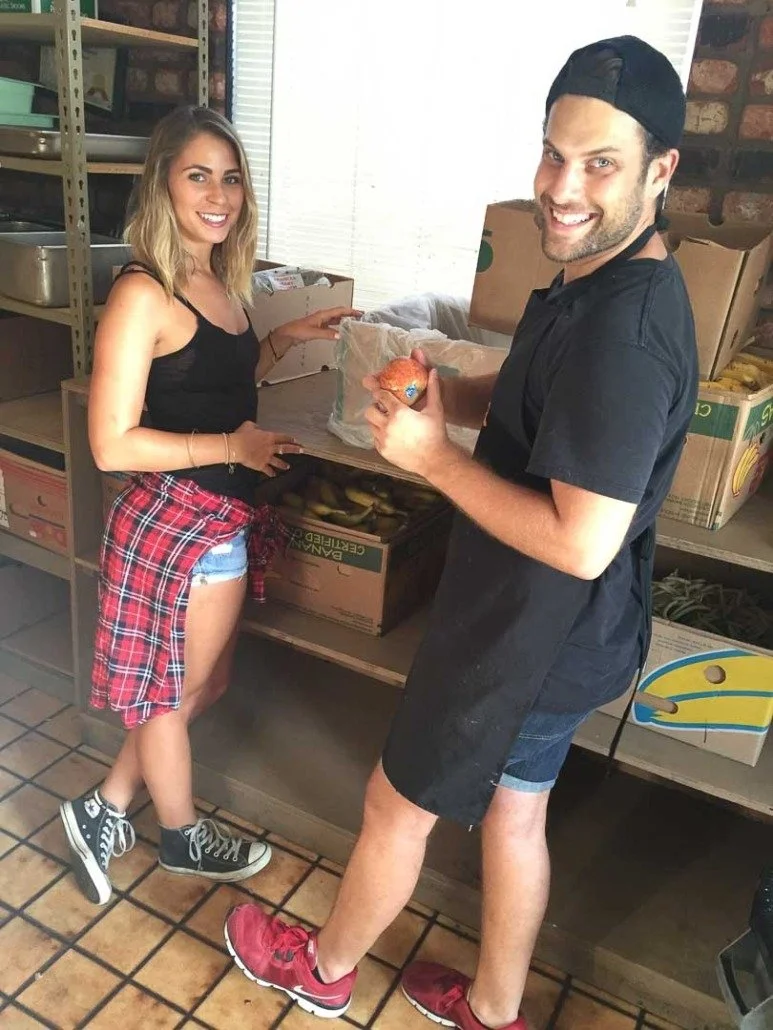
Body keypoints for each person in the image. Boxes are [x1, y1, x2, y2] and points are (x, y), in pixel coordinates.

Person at [224, 36, 699, 1028]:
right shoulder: (600, 275)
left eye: (599, 164)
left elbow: (580, 541)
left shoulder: (623, 337)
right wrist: (455, 397)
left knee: (396, 799)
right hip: (563, 630)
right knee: (515, 816)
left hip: (530, 634)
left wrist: (433, 458)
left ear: (660, 171)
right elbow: (539, 401)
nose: (560, 188)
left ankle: (322, 971)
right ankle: (492, 1006)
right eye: (552, 154)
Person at [59, 105, 360, 907]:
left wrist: (286, 338)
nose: (219, 194)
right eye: (198, 176)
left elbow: (205, 382)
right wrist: (233, 447)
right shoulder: (143, 293)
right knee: (174, 694)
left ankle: (103, 807)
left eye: (230, 178)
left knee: (204, 685)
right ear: (162, 182)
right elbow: (111, 443)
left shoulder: (218, 280)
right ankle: (181, 836)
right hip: (175, 522)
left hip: (218, 516)